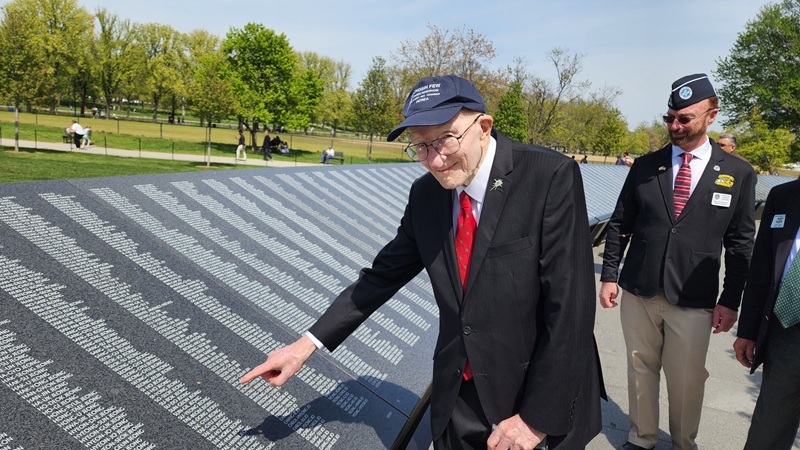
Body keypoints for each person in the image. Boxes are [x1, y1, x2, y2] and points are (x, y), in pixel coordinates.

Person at [240, 74, 604, 449]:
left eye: (445, 139)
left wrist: (534, 420)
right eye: (420, 146)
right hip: (459, 394)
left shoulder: (548, 177)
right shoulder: (426, 194)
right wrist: (304, 346)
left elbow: (570, 309)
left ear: (483, 127)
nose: (435, 160)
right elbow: (381, 277)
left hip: (535, 390)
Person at [599, 73, 756, 450]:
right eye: (669, 117)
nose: (674, 126)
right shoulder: (646, 166)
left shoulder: (737, 173)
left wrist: (730, 300)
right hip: (639, 288)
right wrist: (609, 275)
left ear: (711, 116)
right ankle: (641, 438)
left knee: (687, 378)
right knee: (640, 368)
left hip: (694, 296)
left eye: (685, 119)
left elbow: (740, 244)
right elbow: (621, 222)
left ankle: (684, 442)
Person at [733, 179, 800, 450]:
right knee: (769, 426)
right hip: (786, 328)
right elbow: (761, 266)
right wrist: (747, 330)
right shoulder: (784, 195)